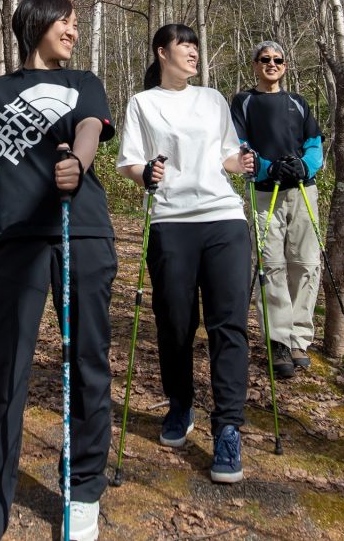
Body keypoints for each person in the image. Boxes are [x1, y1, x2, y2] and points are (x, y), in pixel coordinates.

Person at [0, 0, 116, 541]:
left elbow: (89, 128)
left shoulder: (84, 82)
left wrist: (75, 163)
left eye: (75, 22)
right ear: (36, 24)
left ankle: (83, 491)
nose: (73, 28)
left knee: (86, 361)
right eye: (64, 20)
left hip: (79, 228)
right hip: (15, 235)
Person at [117, 24, 256, 484]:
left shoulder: (214, 99)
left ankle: (228, 427)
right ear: (162, 52)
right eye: (186, 45)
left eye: (197, 45)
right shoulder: (143, 103)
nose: (194, 52)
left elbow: (228, 156)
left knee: (228, 323)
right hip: (172, 221)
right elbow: (129, 164)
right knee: (175, 323)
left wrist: (243, 161)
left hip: (224, 219)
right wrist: (147, 175)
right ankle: (180, 406)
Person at [229, 40, 324, 380]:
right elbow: (239, 145)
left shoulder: (298, 102)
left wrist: (304, 166)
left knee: (307, 263)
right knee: (272, 265)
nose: (271, 64)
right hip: (263, 191)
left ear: (285, 65)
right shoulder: (244, 101)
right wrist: (268, 168)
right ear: (254, 64)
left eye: (277, 59)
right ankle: (278, 340)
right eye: (264, 59)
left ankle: (300, 337)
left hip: (301, 190)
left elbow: (315, 143)